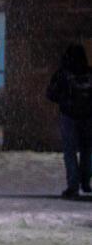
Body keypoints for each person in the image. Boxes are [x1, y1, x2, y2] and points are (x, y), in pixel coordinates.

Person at [44, 43, 92, 198]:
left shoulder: (63, 74)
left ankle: (73, 185)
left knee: (70, 152)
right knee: (87, 150)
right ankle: (85, 181)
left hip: (69, 116)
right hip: (87, 117)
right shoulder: (89, 73)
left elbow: (51, 93)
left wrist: (64, 101)